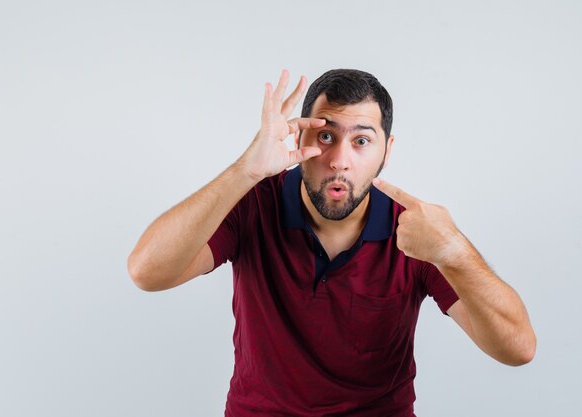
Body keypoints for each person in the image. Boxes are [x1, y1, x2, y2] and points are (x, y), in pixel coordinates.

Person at [127, 69, 536, 417]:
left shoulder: (416, 232)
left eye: (361, 141)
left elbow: (517, 349)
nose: (340, 159)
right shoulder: (253, 204)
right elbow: (147, 273)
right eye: (325, 136)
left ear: (385, 152)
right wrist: (245, 171)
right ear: (299, 139)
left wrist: (455, 253)